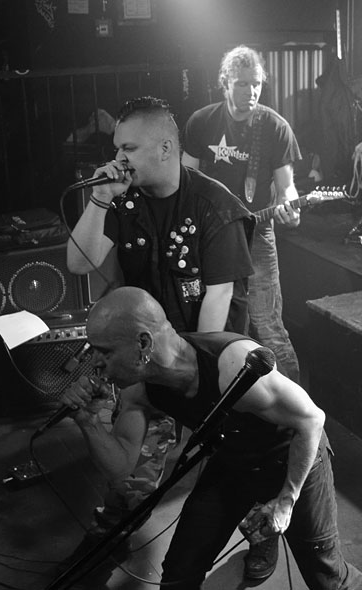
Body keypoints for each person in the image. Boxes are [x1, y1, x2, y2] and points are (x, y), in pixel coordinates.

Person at [56, 286, 362, 590]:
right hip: (232, 460)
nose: (95, 362)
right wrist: (88, 421)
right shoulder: (139, 389)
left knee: (327, 577)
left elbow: (311, 420)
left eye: (104, 351)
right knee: (180, 571)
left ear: (143, 343)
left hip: (290, 456)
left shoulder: (234, 365)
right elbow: (122, 468)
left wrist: (286, 501)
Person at [62, 96, 257, 582]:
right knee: (131, 465)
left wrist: (199, 388)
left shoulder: (215, 207)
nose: (118, 158)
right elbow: (79, 263)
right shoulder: (124, 202)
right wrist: (100, 199)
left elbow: (217, 304)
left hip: (205, 359)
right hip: (143, 357)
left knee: (241, 460)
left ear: (165, 148)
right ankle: (111, 530)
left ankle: (264, 535)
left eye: (128, 148)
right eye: (117, 148)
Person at [181, 45, 303, 390]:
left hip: (256, 233)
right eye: (242, 84)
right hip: (211, 236)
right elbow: (185, 183)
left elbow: (287, 187)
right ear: (225, 83)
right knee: (218, 326)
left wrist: (290, 208)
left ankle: (297, 405)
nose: (251, 91)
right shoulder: (202, 122)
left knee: (268, 326)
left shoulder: (275, 127)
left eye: (257, 84)